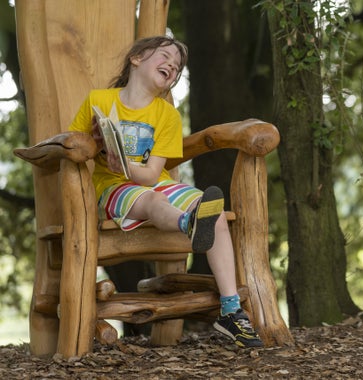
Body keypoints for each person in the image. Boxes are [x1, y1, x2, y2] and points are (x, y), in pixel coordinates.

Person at [68, 35, 263, 348]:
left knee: (208, 205)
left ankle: (230, 311)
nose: (172, 66)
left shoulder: (166, 115)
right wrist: (94, 145)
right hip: (113, 187)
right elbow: (73, 147)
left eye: (177, 67)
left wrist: (125, 163)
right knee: (155, 201)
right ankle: (190, 224)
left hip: (149, 179)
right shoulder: (99, 101)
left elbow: (148, 174)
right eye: (165, 57)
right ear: (137, 58)